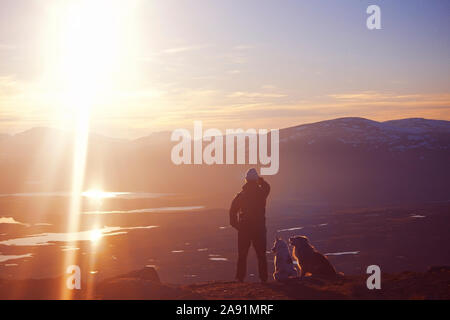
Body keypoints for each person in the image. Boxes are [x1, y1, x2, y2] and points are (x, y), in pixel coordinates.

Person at [229, 168, 271, 283]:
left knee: (242, 255)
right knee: (261, 255)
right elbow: (267, 187)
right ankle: (263, 278)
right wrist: (260, 180)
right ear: (256, 180)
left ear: (246, 180)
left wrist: (237, 225)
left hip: (244, 229)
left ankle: (240, 278)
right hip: (259, 229)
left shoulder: (241, 196)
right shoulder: (262, 194)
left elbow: (232, 211)